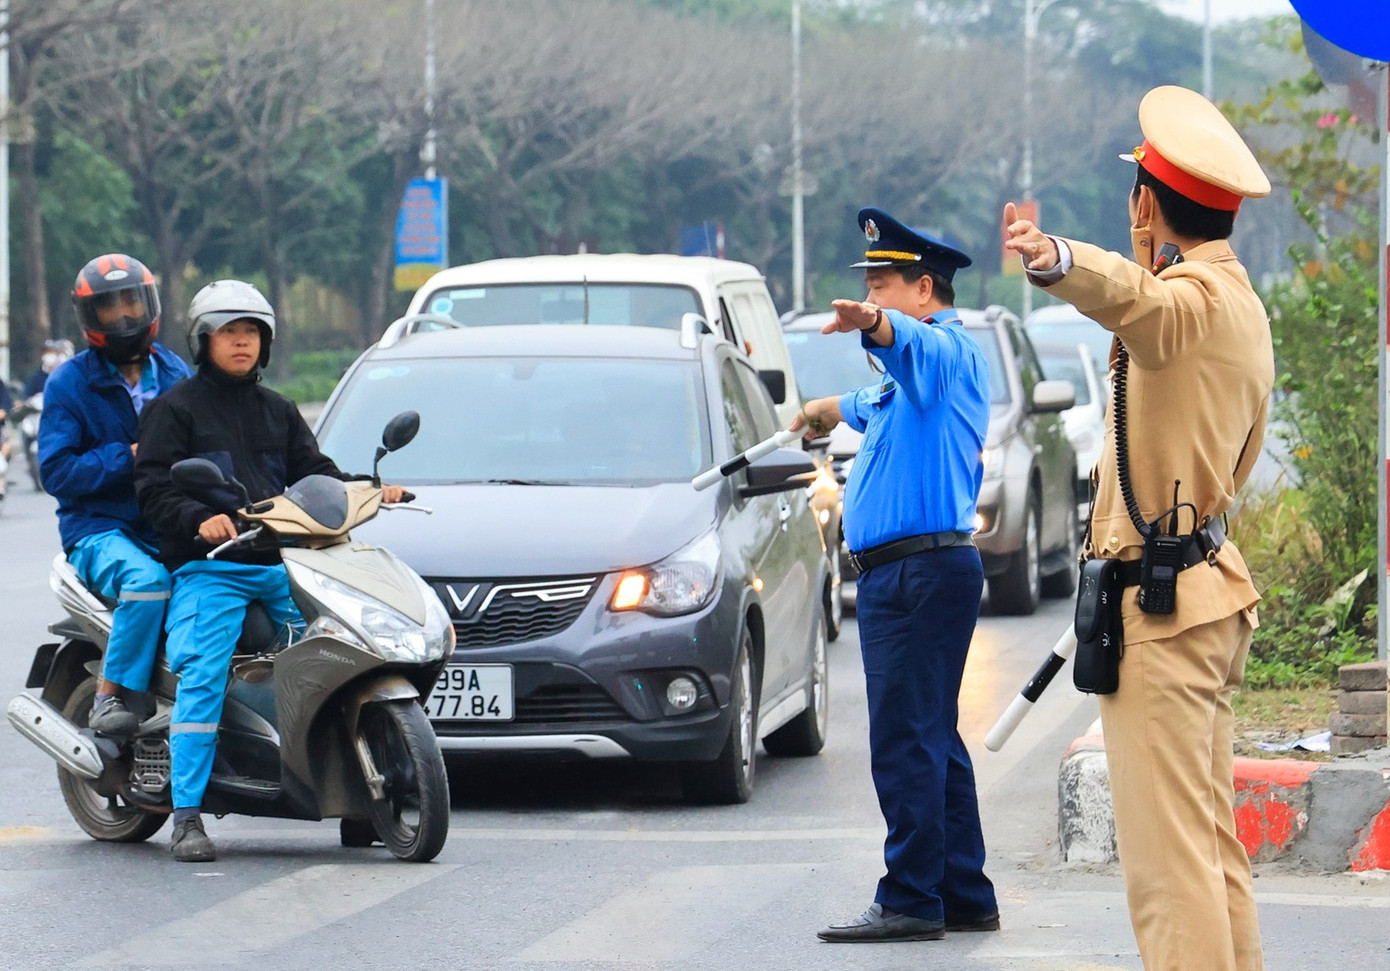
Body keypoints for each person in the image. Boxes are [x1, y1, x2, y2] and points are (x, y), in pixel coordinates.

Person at [1003, 85, 1272, 971]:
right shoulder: (1239, 300)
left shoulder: (1189, 304)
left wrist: (1055, 258)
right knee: (1206, 848)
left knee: (1166, 870)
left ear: (1146, 202)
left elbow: (1143, 310)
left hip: (1164, 613)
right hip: (1198, 591)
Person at [135, 279, 404, 863]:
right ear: (204, 340)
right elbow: (154, 490)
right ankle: (186, 815)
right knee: (203, 674)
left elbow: (316, 474)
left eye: (252, 333)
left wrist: (372, 489)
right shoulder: (173, 410)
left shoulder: (277, 410)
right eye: (229, 332)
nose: (242, 343)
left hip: (284, 566)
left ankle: (359, 797)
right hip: (212, 571)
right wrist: (198, 518)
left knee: (341, 656)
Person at [798, 208, 997, 943]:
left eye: (883, 286)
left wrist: (877, 326)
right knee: (932, 734)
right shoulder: (900, 385)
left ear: (924, 289)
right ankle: (962, 889)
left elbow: (909, 346)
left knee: (904, 740)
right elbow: (868, 402)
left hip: (917, 573)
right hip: (918, 571)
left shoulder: (944, 351)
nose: (873, 299)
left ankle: (910, 894)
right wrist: (821, 409)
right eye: (869, 289)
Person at [38, 254, 193, 734]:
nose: (124, 317)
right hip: (99, 530)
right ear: (90, 316)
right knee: (147, 583)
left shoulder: (176, 374)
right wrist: (127, 455)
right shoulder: (69, 382)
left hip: (166, 521)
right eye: (110, 307)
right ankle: (108, 698)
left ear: (151, 303)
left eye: (132, 302)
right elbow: (57, 472)